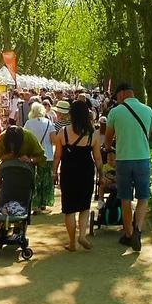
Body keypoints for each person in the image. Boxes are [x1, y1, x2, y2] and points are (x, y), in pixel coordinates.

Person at [104, 83, 152, 252]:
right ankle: (138, 230)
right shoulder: (148, 110)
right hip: (143, 158)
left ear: (123, 93)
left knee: (125, 198)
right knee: (143, 197)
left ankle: (128, 233)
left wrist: (109, 149)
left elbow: (108, 139)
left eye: (117, 96)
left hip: (123, 159)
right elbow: (148, 133)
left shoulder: (115, 112)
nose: (116, 100)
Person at [53, 100, 103, 252]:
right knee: (84, 206)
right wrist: (101, 175)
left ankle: (72, 242)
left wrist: (54, 172)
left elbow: (57, 156)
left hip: (68, 173)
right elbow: (98, 158)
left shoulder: (63, 132)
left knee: (69, 209)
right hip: (86, 172)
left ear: (72, 114)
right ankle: (82, 235)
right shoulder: (93, 134)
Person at [24, 103, 56, 213]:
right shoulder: (49, 122)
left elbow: (25, 139)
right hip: (47, 156)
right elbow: (53, 140)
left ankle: (34, 204)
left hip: (32, 156)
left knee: (34, 180)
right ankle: (44, 203)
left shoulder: (28, 123)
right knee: (46, 180)